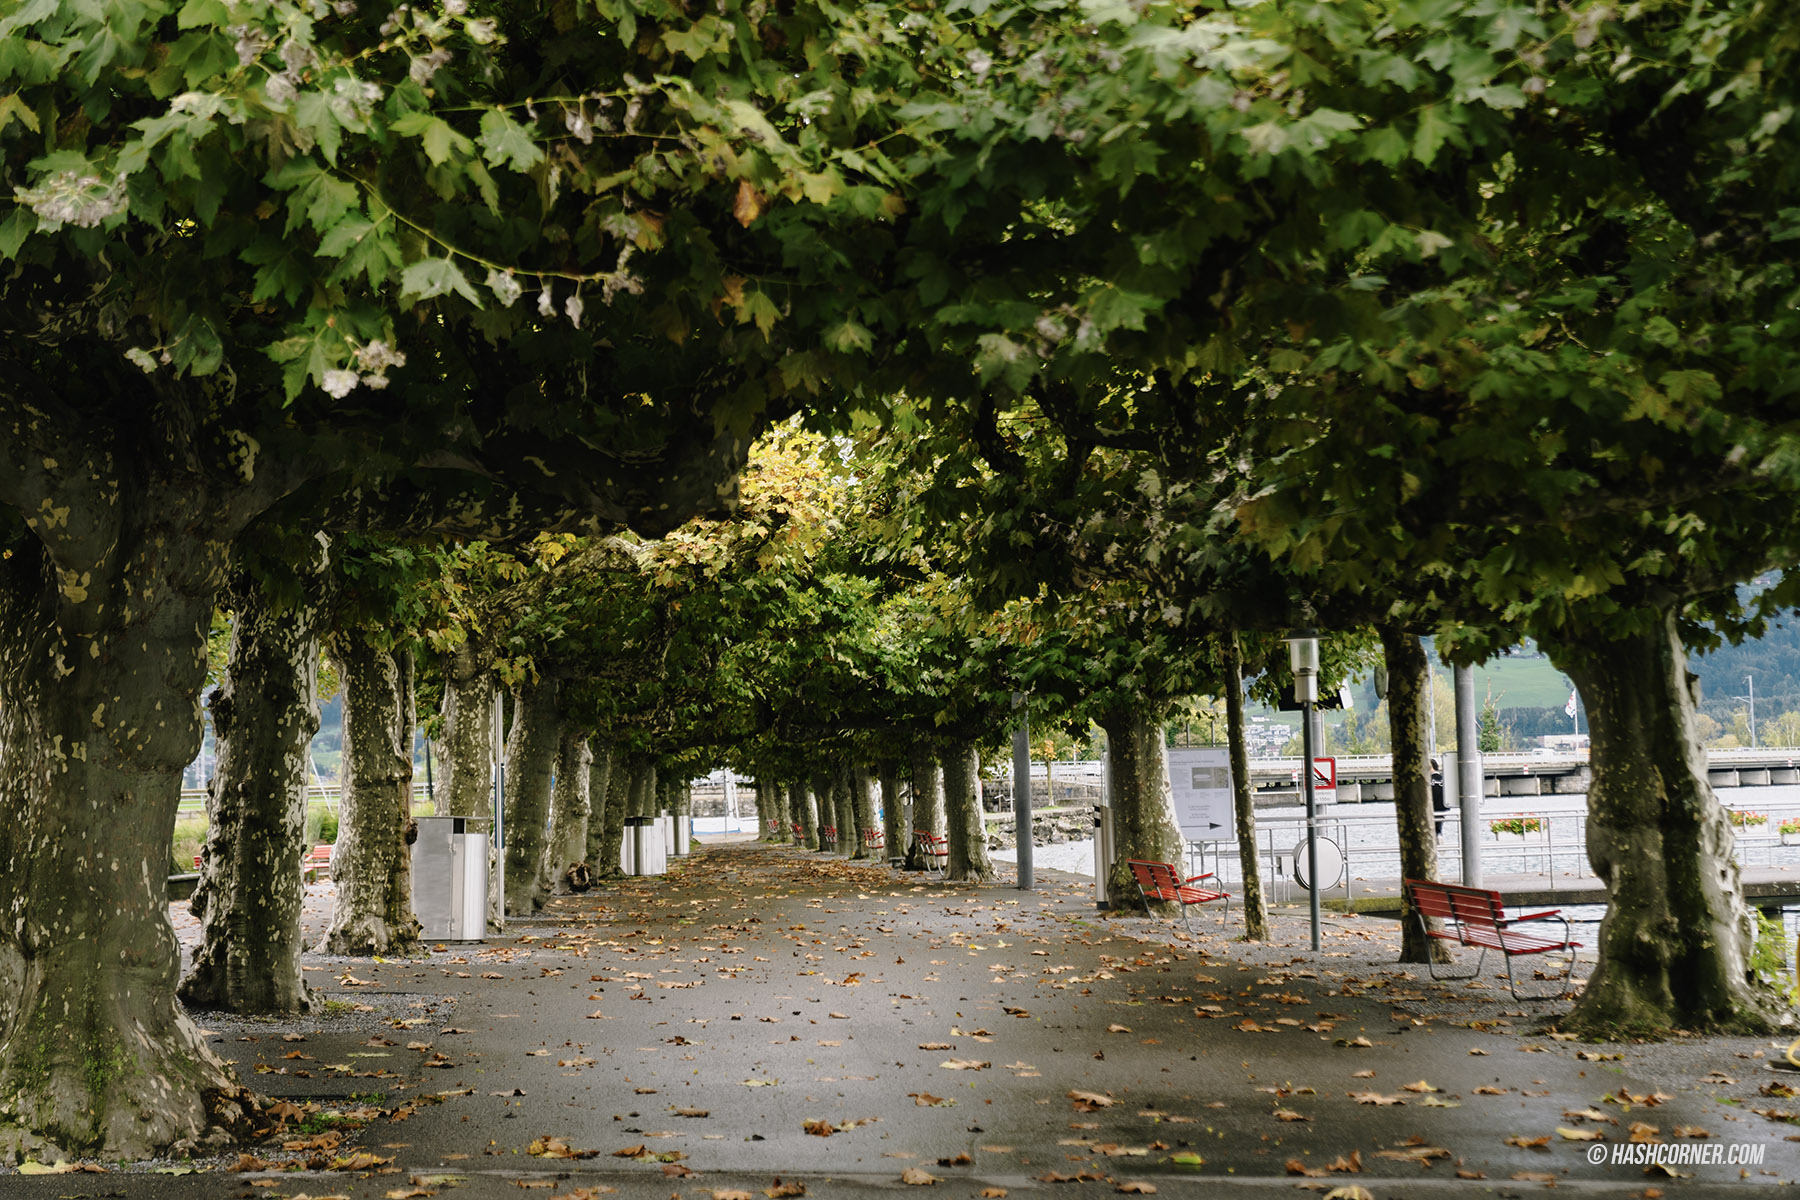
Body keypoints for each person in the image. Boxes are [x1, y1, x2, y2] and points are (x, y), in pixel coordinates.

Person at [1430, 758, 1447, 837]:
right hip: (1442, 810)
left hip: (1431, 810)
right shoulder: (1445, 780)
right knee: (1438, 830)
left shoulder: (1427, 781)